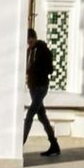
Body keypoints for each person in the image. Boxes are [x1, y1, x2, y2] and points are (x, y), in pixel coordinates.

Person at [23, 27, 61, 157]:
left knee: (29, 114)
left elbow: (49, 68)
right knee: (42, 117)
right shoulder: (29, 51)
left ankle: (20, 143)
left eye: (31, 40)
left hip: (41, 86)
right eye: (28, 41)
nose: (29, 43)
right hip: (33, 87)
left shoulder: (44, 51)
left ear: (34, 38)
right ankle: (54, 145)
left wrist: (36, 70)